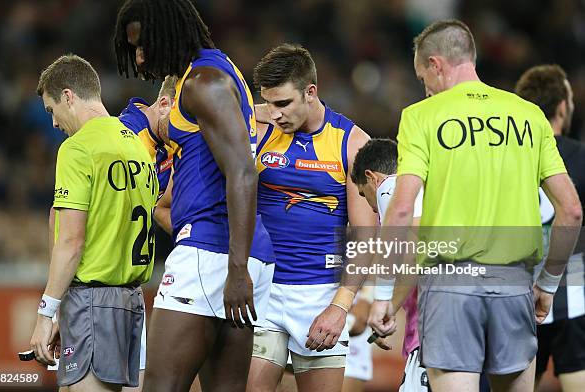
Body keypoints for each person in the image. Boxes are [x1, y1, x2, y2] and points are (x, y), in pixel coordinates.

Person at [369, 20, 582, 392]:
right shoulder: (530, 116)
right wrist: (547, 285)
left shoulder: (421, 117)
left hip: (449, 287)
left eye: (423, 79)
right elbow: (572, 211)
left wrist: (384, 293)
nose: (426, 90)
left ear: (435, 64)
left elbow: (401, 211)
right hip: (515, 285)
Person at [113, 0, 275, 392]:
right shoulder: (212, 72)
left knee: (160, 387)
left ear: (166, 33)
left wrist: (236, 270)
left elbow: (242, 172)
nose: (139, 59)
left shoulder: (203, 82)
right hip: (233, 250)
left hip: (213, 249)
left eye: (142, 47)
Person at [247, 43, 377, 392]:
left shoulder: (351, 143)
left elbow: (367, 237)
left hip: (320, 295)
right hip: (262, 290)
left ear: (310, 92)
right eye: (268, 103)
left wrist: (340, 307)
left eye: (283, 104)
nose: (274, 114)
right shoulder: (258, 130)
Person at [29, 54, 158, 391]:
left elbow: (71, 241)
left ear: (68, 96)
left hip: (94, 301)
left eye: (51, 110)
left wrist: (47, 313)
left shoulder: (78, 148)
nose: (54, 123)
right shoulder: (136, 146)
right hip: (131, 301)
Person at [515, 64, 585, 392]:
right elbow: (572, 212)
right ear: (562, 106)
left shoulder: (510, 157)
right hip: (574, 293)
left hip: (518, 295)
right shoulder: (580, 156)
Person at [351, 138, 429, 392]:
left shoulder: (390, 187)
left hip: (434, 329)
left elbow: (417, 252)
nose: (369, 206)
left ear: (372, 177)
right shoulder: (428, 188)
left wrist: (387, 307)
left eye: (364, 194)